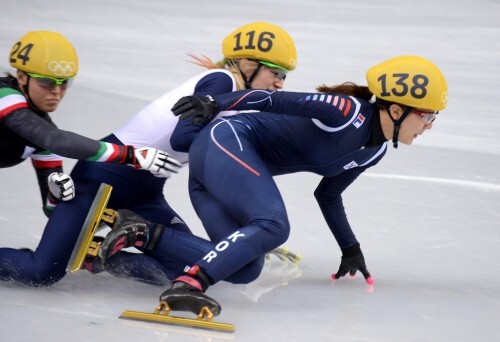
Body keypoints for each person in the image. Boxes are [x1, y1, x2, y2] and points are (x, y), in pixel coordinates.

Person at [101, 55, 448, 316]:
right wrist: (213, 103)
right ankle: (189, 284)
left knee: (244, 269)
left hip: (215, 175)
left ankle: (135, 239)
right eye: (428, 116)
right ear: (397, 109)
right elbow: (269, 99)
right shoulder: (345, 110)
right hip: (225, 141)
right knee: (272, 225)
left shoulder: (374, 152)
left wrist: (350, 248)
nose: (430, 126)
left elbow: (328, 194)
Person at [0, 22, 298, 286]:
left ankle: (100, 256)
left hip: (144, 193)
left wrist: (248, 237)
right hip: (103, 178)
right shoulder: (223, 81)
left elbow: (51, 206)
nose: (279, 84)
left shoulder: (237, 100)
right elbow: (184, 139)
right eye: (275, 73)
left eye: (284, 77)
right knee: (41, 272)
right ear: (247, 64)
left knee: (197, 268)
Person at [1, 30, 180, 217]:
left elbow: (52, 212)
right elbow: (57, 141)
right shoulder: (4, 95)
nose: (56, 91)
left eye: (64, 83)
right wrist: (131, 155)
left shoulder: (43, 132)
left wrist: (55, 195)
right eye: (47, 81)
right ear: (21, 76)